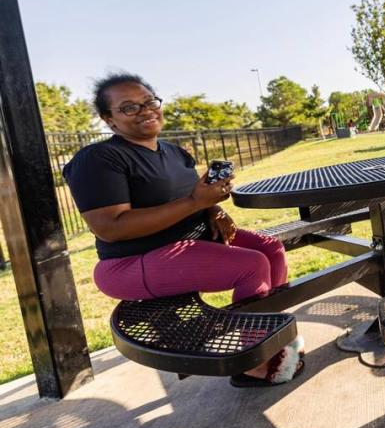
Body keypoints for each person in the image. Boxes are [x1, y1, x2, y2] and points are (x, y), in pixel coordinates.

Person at [63, 72, 303, 388]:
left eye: (149, 101)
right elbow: (110, 228)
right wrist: (194, 202)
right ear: (109, 119)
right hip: (134, 261)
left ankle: (269, 339)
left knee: (269, 248)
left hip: (193, 240)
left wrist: (212, 207)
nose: (146, 110)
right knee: (251, 265)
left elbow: (190, 195)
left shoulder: (174, 152)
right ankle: (251, 363)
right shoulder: (99, 158)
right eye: (129, 108)